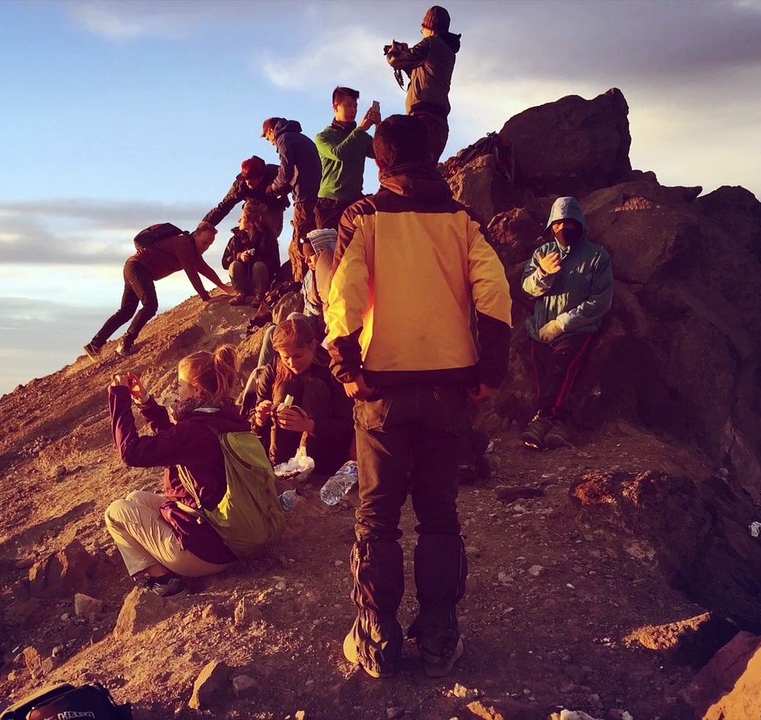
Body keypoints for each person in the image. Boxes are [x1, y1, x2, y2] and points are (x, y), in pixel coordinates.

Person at [324, 114, 512, 679]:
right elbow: (495, 291)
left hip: (383, 388)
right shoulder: (462, 220)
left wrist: (347, 368)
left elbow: (344, 294)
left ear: (381, 162)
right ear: (430, 156)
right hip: (450, 387)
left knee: (377, 517)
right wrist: (490, 370)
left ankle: (376, 638)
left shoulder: (367, 218)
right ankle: (438, 636)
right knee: (439, 513)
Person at [105, 346, 249, 598]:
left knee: (116, 512)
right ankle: (166, 567)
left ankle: (164, 581)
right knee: (136, 499)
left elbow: (131, 452)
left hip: (207, 553)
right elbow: (176, 441)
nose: (177, 391)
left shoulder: (195, 431)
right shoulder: (225, 416)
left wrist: (120, 398)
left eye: (180, 385)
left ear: (196, 390)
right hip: (230, 533)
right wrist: (146, 402)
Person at [519, 196, 613, 450]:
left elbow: (600, 301)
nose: (563, 229)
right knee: (543, 376)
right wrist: (543, 274)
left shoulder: (597, 257)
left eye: (569, 223)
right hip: (540, 328)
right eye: (558, 224)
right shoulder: (542, 253)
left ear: (580, 224)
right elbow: (528, 289)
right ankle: (558, 425)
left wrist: (561, 323)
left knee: (561, 367)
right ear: (551, 226)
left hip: (575, 329)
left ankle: (542, 421)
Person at [84, 224, 232, 359]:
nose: (206, 247)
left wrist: (225, 288)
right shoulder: (183, 244)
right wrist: (205, 297)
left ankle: (94, 345)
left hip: (134, 267)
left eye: (210, 244)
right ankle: (125, 343)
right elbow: (191, 272)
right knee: (150, 305)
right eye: (205, 242)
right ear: (196, 235)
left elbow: (205, 269)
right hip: (138, 267)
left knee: (127, 311)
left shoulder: (192, 250)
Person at [248, 316, 354, 475]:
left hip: (322, 452)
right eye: (286, 357)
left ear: (312, 346)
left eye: (298, 356)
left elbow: (347, 424)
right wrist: (260, 417)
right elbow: (254, 419)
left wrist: (310, 426)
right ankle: (279, 464)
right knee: (286, 387)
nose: (292, 363)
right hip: (281, 452)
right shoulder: (273, 368)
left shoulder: (331, 369)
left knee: (314, 388)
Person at [385, 5, 461, 165]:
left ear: (429, 28)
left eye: (422, 30)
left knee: (410, 168)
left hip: (422, 119)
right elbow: (423, 75)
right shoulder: (447, 51)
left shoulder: (430, 43)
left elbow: (396, 61)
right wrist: (407, 58)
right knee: (426, 169)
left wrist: (393, 52)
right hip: (439, 122)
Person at [262, 116, 321, 283]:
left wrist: (272, 188)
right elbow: (300, 171)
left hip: (304, 198)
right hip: (316, 195)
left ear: (271, 131)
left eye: (268, 138)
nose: (271, 143)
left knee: (300, 243)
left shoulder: (284, 139)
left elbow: (286, 171)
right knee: (311, 240)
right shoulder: (300, 138)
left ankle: (301, 285)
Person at [201, 155, 288, 265]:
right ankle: (244, 265)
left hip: (274, 207)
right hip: (252, 205)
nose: (248, 183)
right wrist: (204, 226)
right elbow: (223, 207)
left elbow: (296, 182)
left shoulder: (275, 173)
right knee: (247, 230)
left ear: (260, 177)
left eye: (251, 180)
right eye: (246, 180)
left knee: (268, 237)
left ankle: (266, 269)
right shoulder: (241, 185)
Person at [315, 86, 379, 230]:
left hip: (354, 200)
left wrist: (379, 126)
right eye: (348, 105)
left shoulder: (360, 136)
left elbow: (381, 152)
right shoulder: (323, 137)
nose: (353, 110)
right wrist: (361, 129)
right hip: (330, 203)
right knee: (331, 250)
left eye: (355, 106)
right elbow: (339, 153)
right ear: (335, 107)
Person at [221, 213, 281, 306]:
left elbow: (275, 264)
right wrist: (239, 256)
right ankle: (240, 294)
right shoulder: (235, 239)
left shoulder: (267, 238)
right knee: (234, 265)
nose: (239, 221)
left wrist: (255, 257)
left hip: (261, 281)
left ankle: (259, 296)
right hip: (244, 281)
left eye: (242, 218)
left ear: (251, 222)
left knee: (259, 266)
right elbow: (224, 263)